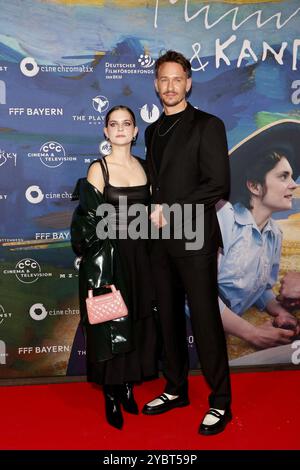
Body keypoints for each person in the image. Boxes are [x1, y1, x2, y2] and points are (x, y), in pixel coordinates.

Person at [142, 50, 232, 436]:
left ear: (189, 82)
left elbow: (217, 185)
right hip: (159, 241)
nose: (170, 87)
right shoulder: (151, 131)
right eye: (163, 79)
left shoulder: (208, 125)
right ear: (156, 84)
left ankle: (221, 402)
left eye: (177, 79)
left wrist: (167, 206)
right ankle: (176, 387)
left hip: (194, 238)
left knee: (206, 320)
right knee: (168, 319)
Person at [71, 105, 158, 430]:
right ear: (106, 132)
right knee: (109, 324)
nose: (120, 129)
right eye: (113, 124)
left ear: (135, 131)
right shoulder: (99, 170)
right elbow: (89, 224)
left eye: (126, 124)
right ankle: (110, 392)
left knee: (134, 321)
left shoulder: (146, 168)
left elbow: (153, 216)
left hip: (141, 259)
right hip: (107, 262)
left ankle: (126, 385)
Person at [217, 120, 300, 349]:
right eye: (283, 176)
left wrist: (281, 312)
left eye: (292, 176)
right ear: (254, 186)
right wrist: (253, 334)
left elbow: (262, 288)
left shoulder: (275, 234)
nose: (293, 184)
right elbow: (197, 295)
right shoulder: (223, 219)